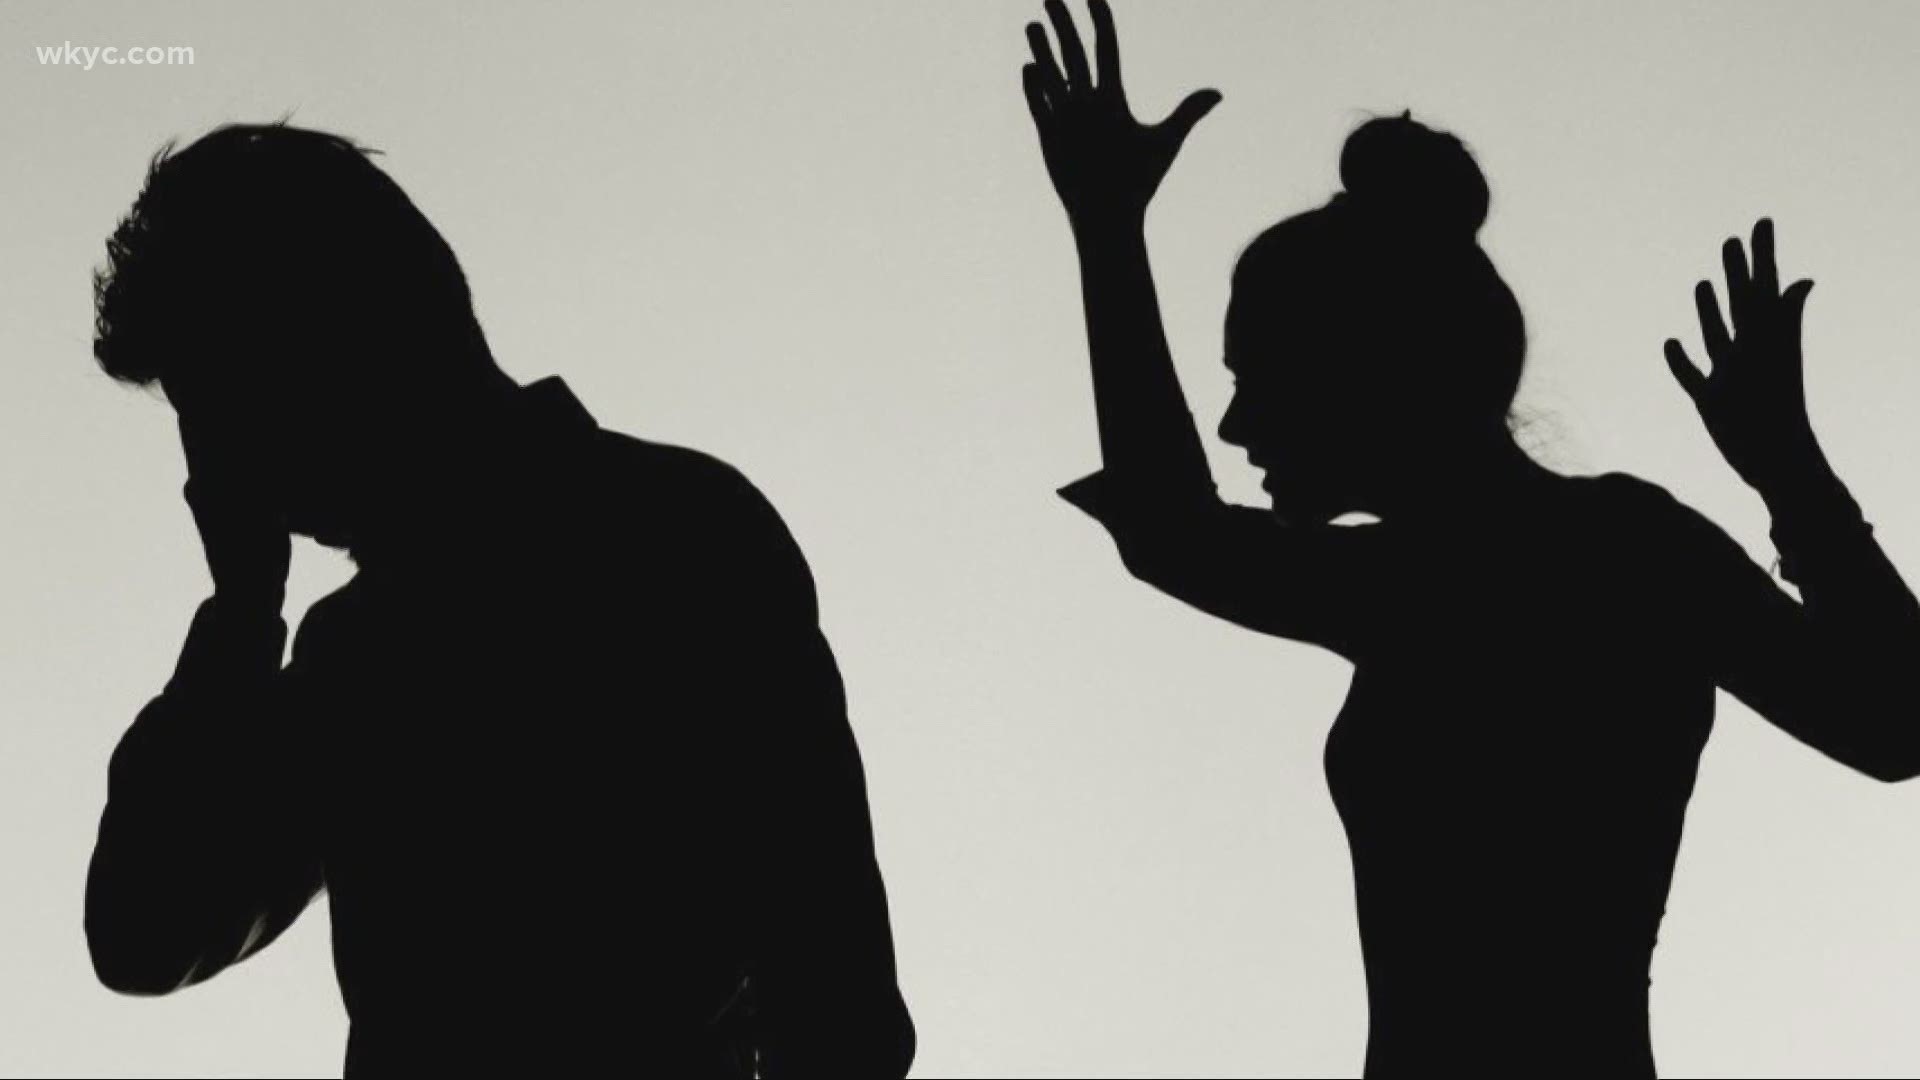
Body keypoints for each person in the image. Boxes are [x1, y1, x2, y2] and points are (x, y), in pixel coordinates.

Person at [1021, 1, 1920, 1075]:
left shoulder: (1451, 583)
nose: (1236, 425)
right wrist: (1791, 474)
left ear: (1368, 370)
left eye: (1257, 379)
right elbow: (1893, 725)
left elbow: (1172, 531)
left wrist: (1107, 230)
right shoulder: (1618, 551)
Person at [83, 122, 915, 1078]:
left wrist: (241, 611)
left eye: (222, 416)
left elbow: (838, 1004)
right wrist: (241, 608)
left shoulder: (668, 541)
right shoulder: (358, 654)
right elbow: (146, 930)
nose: (221, 474)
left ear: (332, 346)